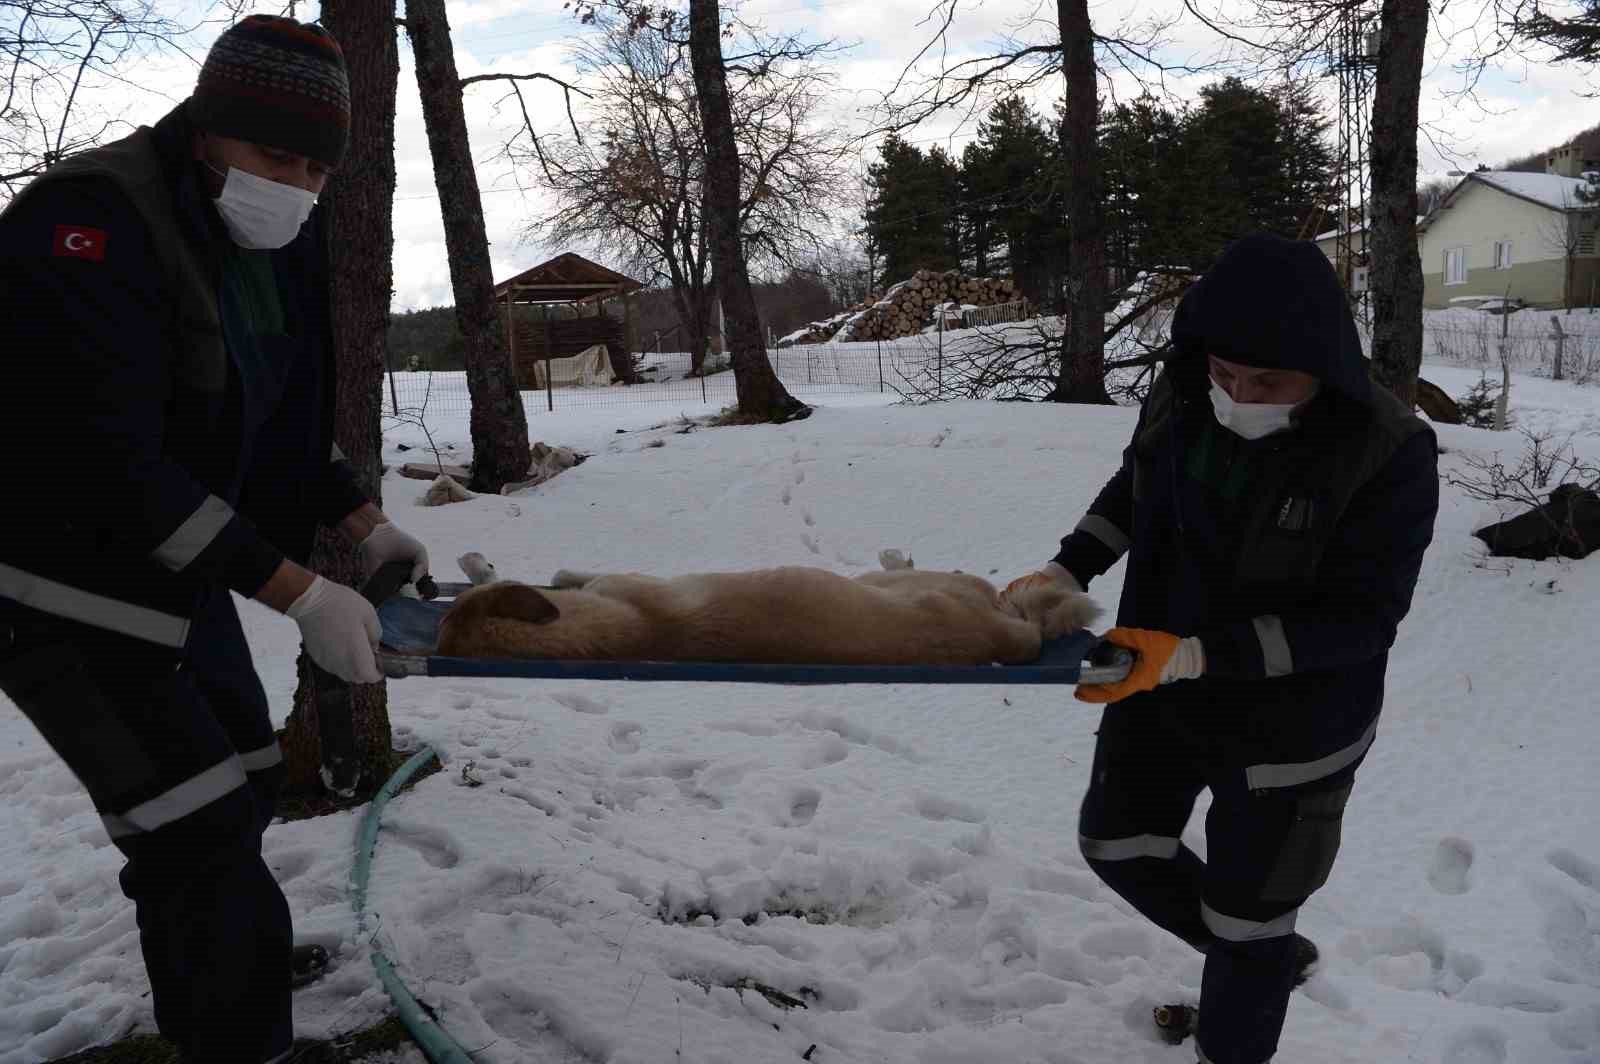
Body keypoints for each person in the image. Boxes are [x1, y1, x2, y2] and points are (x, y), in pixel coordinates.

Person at [0, 15, 432, 1063]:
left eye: (318, 166)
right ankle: (239, 1040)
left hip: (171, 573)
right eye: (275, 154)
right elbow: (100, 456)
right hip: (50, 582)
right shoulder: (88, 220)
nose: (297, 183)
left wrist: (359, 523)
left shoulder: (272, 237)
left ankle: (224, 976)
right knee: (187, 823)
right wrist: (293, 592)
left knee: (241, 785)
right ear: (207, 130)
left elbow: (272, 417)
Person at [1006, 234, 1439, 1063]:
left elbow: (1361, 620)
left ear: (1326, 367)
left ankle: (1247, 986)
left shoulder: (1387, 453)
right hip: (1157, 687)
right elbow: (1137, 484)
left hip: (1294, 731)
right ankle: (1264, 960)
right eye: (1227, 375)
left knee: (1249, 919)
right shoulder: (1184, 388)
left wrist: (1198, 654)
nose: (1239, 394)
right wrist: (1068, 566)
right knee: (1118, 845)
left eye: (1267, 382)